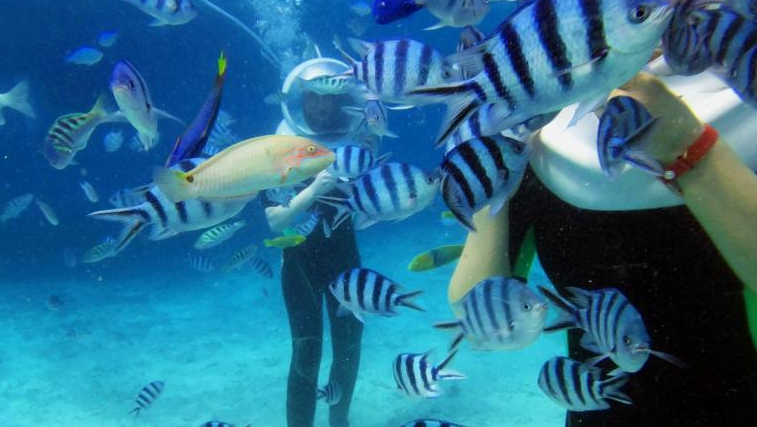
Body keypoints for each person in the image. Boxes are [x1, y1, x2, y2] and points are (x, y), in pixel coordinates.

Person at [448, 70, 757, 425]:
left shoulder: (745, 110)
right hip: (594, 408)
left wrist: (685, 145)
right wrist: (486, 163)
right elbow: (471, 305)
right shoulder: (546, 143)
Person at [263, 56, 374, 427]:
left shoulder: (356, 138)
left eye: (330, 98)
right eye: (315, 97)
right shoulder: (280, 143)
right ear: (302, 98)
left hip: (345, 254)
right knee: (307, 353)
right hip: (299, 262)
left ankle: (338, 422)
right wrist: (317, 187)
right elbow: (275, 221)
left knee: (348, 347)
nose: (323, 106)